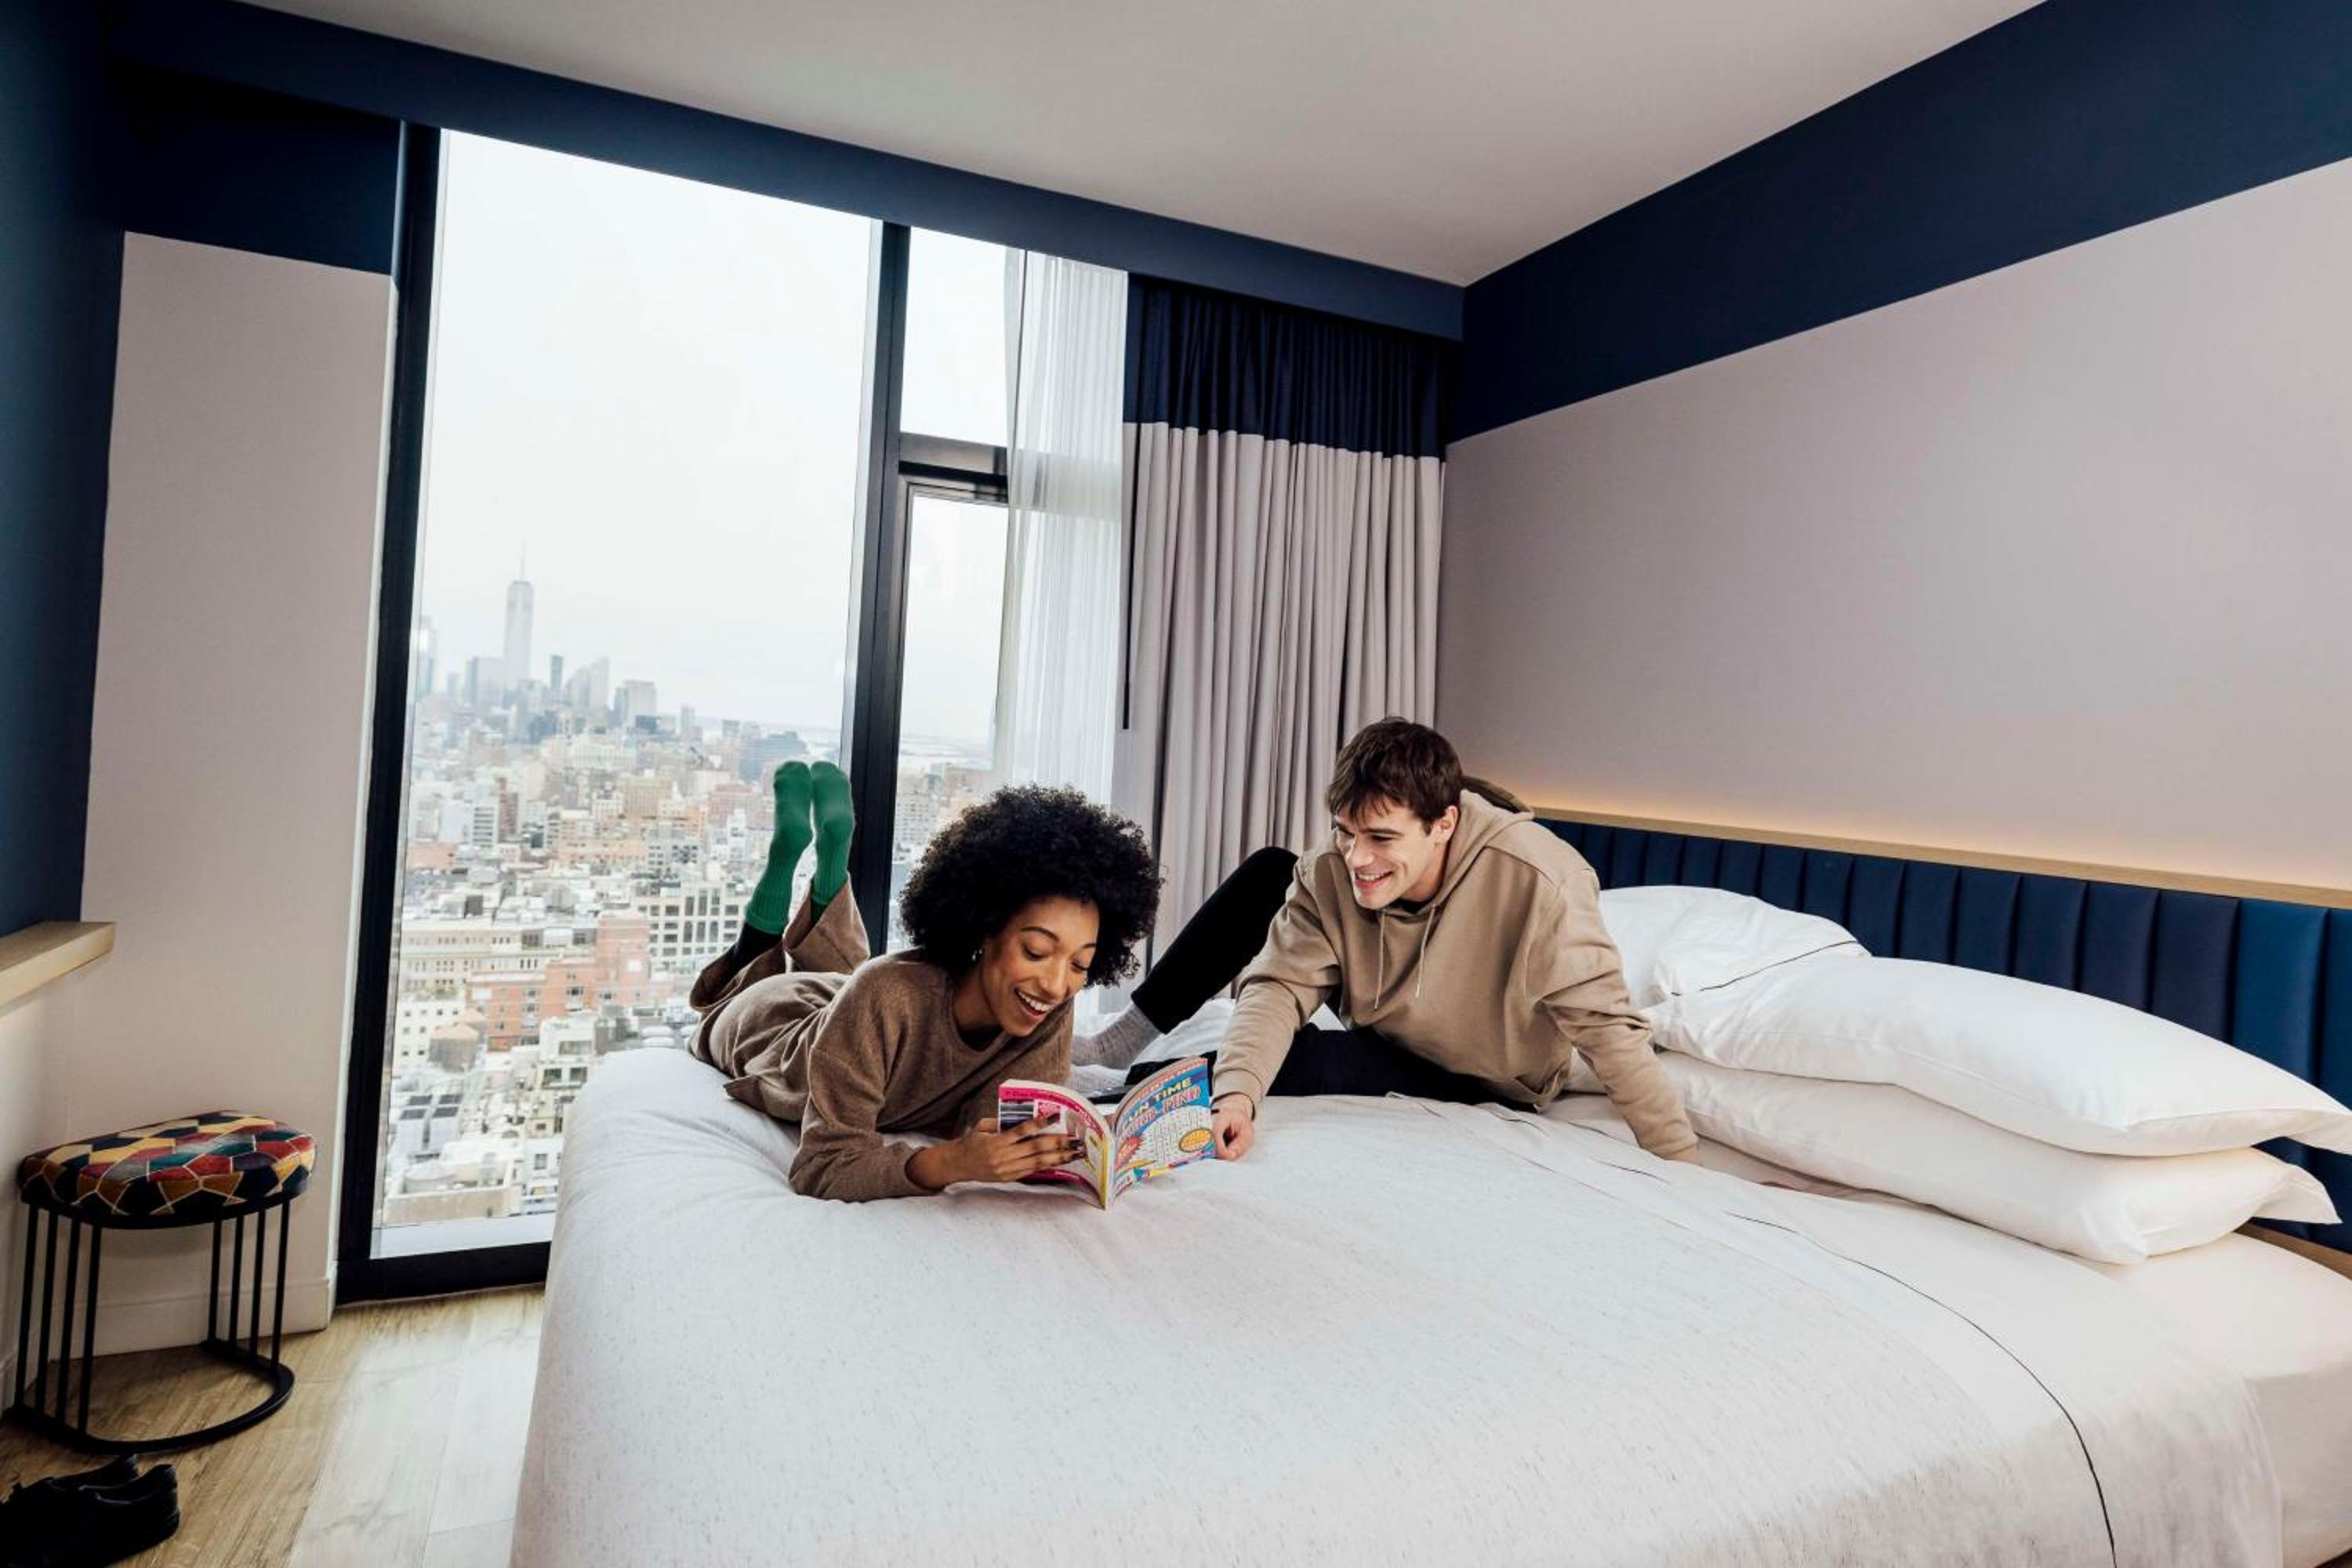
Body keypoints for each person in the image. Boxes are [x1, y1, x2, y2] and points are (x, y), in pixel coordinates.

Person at [1077, 720, 1699, 1163]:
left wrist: (1680, 1164)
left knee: (1310, 1060)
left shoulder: (1543, 885)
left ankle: (1120, 1097)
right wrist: (1237, 1096)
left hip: (1482, 1073)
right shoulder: (1335, 867)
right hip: (1387, 1023)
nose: (1357, 857)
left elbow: (1609, 1032)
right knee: (1274, 873)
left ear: (1444, 824)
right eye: (1346, 832)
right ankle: (1119, 1050)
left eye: (1380, 838)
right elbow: (1277, 987)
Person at [691, 761, 1161, 1201]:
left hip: (855, 999)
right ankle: (789, 864)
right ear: (985, 928)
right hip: (778, 1024)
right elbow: (822, 1166)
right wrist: (949, 1164)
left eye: (1080, 964)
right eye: (1036, 952)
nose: (1057, 985)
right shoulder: (885, 996)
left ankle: (832, 870)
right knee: (741, 990)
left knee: (857, 976)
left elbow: (998, 1127)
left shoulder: (1047, 1004)